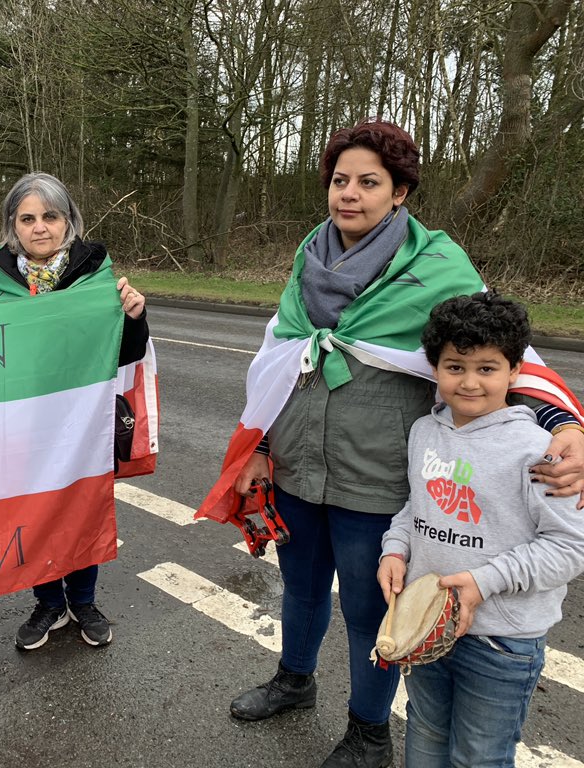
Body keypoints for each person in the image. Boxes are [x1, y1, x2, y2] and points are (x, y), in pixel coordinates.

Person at [199, 119, 584, 768]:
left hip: (377, 477)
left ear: (400, 190)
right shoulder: (310, 253)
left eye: (369, 182)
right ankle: (294, 680)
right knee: (298, 587)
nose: (349, 193)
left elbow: (496, 355)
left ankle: (368, 732)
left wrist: (563, 424)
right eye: (340, 180)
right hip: (296, 465)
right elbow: (280, 358)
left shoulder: (436, 263)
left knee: (368, 611)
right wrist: (259, 444)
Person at [378, 292, 584, 768]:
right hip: (427, 624)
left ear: (515, 372)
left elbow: (570, 546)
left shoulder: (540, 451)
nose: (469, 382)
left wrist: (482, 581)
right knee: (424, 732)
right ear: (435, 368)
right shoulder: (424, 432)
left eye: (487, 369)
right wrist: (395, 550)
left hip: (501, 640)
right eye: (455, 366)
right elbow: (416, 506)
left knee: (479, 757)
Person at [0, 171, 149, 650]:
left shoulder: (97, 280)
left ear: (68, 221)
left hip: (83, 427)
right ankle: (49, 603)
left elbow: (125, 354)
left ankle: (84, 601)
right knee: (35, 515)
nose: (40, 227)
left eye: (50, 216)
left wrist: (134, 317)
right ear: (13, 226)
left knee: (81, 509)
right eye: (27, 218)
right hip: (25, 429)